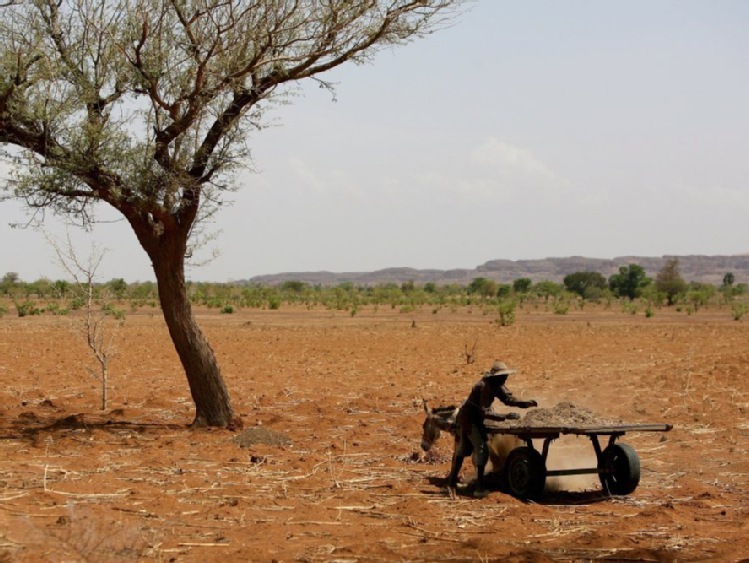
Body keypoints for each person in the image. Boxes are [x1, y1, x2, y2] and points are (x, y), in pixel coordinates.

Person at [447, 360, 538, 497]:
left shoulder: (497, 384)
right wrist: (505, 416)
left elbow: (508, 399)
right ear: (496, 376)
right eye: (504, 376)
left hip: (475, 420)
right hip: (469, 420)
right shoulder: (485, 386)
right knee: (480, 450)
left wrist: (525, 403)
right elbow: (485, 412)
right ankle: (478, 488)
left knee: (463, 449)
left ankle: (452, 483)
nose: (506, 378)